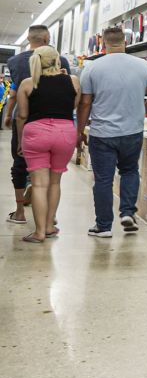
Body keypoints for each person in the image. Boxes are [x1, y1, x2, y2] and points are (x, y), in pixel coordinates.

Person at [77, 27, 147, 238]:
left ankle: (104, 226)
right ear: (125, 41)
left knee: (103, 180)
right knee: (130, 171)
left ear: (104, 43)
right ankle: (128, 213)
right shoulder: (143, 66)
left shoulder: (93, 68)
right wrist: (141, 113)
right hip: (133, 131)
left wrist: (79, 130)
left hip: (102, 133)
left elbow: (85, 102)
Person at [5, 25, 71, 225]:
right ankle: (49, 216)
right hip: (54, 118)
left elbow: (15, 93)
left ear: (28, 38)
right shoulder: (61, 60)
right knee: (51, 172)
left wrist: (9, 114)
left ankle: (19, 212)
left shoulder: (14, 61)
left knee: (19, 164)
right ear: (46, 38)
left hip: (26, 121)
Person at [14, 47, 80, 243]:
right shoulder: (73, 81)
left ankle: (39, 232)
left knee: (39, 184)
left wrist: (20, 141)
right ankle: (50, 226)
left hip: (36, 133)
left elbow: (22, 115)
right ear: (58, 61)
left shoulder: (28, 83)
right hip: (65, 132)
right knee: (55, 182)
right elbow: (73, 105)